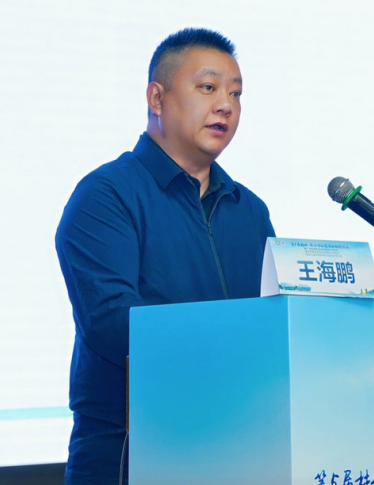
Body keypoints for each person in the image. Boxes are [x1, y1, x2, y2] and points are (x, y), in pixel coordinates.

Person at [55, 28, 275, 485]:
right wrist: (233, 341)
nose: (226, 105)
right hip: (131, 453)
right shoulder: (106, 196)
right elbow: (113, 321)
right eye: (208, 87)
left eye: (236, 93)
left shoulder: (249, 210)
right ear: (157, 98)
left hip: (240, 448)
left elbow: (274, 316)